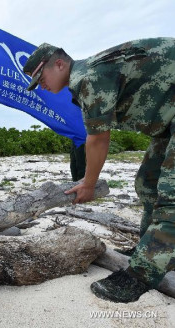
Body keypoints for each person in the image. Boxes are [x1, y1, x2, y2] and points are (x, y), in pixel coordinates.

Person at [23, 38, 175, 303]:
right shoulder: (89, 74)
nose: (42, 87)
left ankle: (141, 274)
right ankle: (151, 249)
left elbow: (98, 138)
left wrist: (88, 184)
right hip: (168, 119)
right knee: (147, 182)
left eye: (41, 78)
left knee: (171, 197)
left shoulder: (88, 77)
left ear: (59, 64)